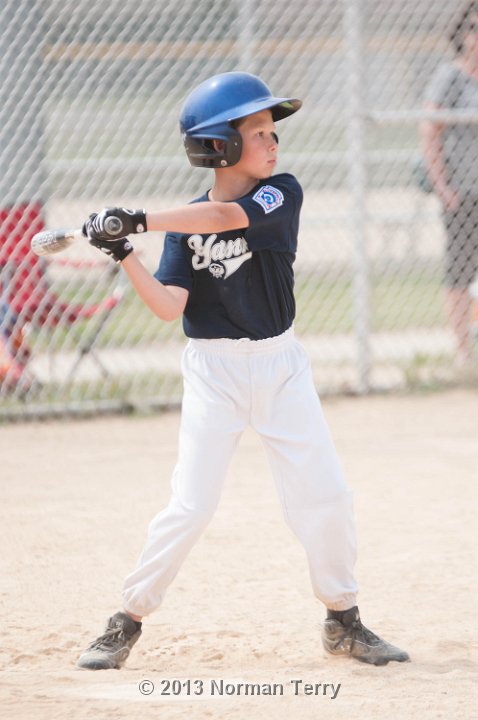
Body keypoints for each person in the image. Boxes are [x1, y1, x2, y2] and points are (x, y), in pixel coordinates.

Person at [76, 72, 409, 670]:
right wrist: (125, 252)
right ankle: (126, 619)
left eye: (272, 131)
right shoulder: (184, 223)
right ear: (218, 145)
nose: (272, 141)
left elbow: (227, 217)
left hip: (281, 367)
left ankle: (343, 620)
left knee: (326, 496)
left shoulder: (281, 192)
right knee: (192, 505)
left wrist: (138, 217)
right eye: (257, 132)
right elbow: (168, 307)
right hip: (214, 373)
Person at [421, 1, 478, 364]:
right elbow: (430, 131)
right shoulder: (451, 77)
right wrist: (442, 186)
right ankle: (463, 351)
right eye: (473, 28)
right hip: (464, 192)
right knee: (460, 270)